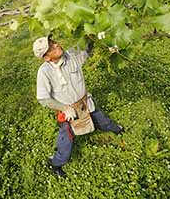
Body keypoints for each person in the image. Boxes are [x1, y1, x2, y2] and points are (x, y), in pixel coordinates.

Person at [33, 34, 123, 177]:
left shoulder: (71, 56)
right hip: (69, 112)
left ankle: (117, 130)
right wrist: (64, 108)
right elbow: (43, 98)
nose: (56, 45)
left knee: (101, 119)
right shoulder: (44, 72)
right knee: (66, 141)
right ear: (46, 57)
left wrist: (106, 45)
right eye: (51, 48)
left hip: (85, 104)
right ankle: (56, 164)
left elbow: (88, 47)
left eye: (53, 42)